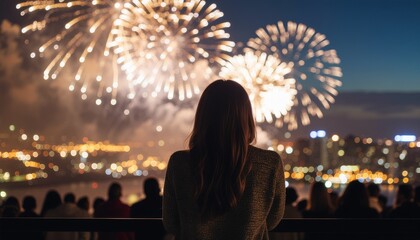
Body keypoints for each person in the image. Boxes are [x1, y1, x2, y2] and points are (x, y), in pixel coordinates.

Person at [163, 80, 285, 239]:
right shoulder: (269, 163)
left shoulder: (179, 163)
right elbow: (273, 220)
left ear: (202, 116)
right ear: (246, 116)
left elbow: (171, 223)